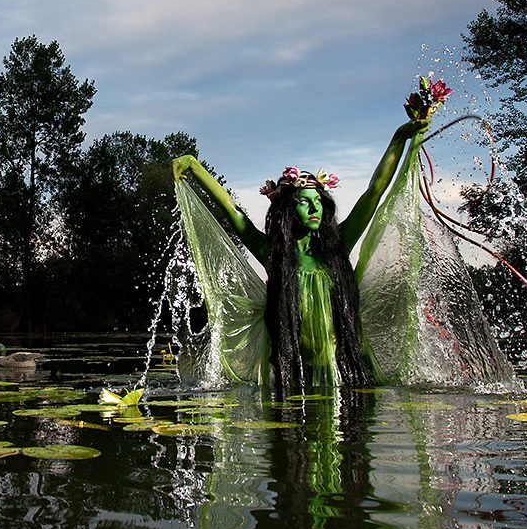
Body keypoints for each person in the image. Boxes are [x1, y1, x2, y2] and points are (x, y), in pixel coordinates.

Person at [171, 77, 451, 396]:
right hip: (293, 377)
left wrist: (400, 137)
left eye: (319, 202)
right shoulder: (274, 253)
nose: (314, 208)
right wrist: (194, 167)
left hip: (344, 373)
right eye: (304, 202)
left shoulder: (337, 247)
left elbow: (374, 192)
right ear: (287, 210)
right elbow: (235, 214)